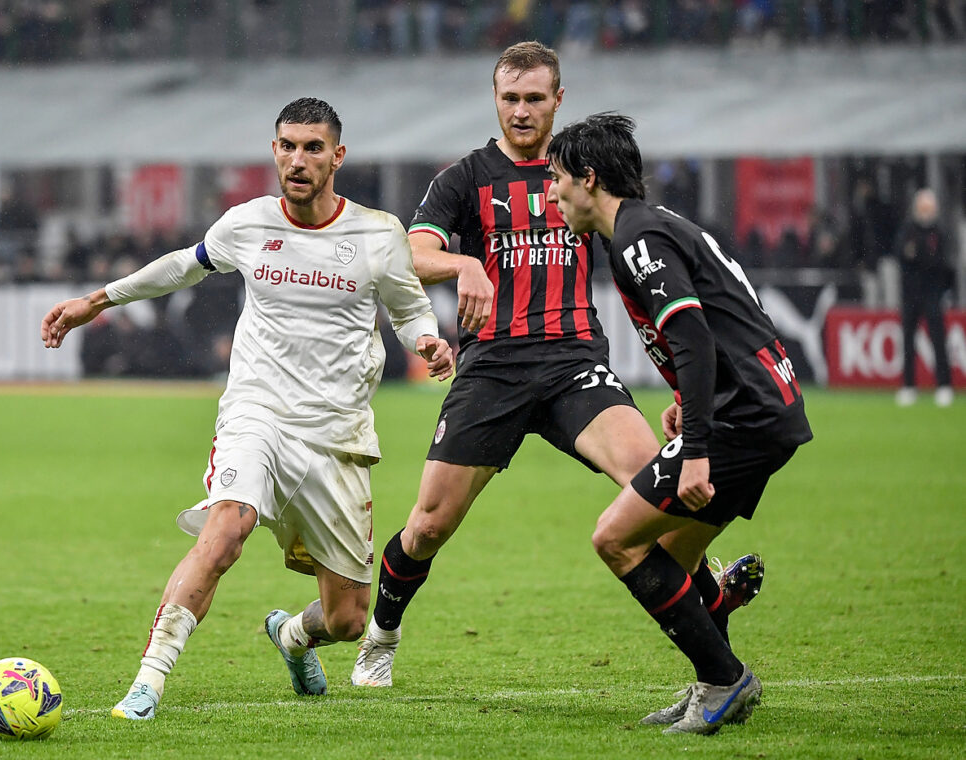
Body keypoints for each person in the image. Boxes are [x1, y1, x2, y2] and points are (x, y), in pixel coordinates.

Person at [351, 41, 763, 689]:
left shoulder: (582, 174)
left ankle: (711, 619)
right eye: (510, 98)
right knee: (429, 524)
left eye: (535, 99)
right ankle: (382, 634)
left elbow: (643, 236)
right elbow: (411, 251)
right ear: (495, 99)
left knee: (659, 489)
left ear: (558, 100)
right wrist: (463, 265)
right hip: (493, 370)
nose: (521, 111)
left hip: (576, 364)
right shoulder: (466, 178)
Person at [40, 98, 454, 719]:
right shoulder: (249, 223)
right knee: (226, 528)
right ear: (274, 151)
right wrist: (98, 300)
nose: (298, 159)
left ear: (337, 156)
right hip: (256, 415)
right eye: (287, 145)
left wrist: (424, 338)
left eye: (313, 147)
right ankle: (147, 684)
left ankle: (291, 636)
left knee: (345, 620)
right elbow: (184, 266)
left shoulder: (378, 234)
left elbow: (409, 307)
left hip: (336, 436)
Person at [545, 112, 813, 734]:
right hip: (761, 407)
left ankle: (726, 679)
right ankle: (710, 680)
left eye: (559, 179)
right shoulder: (649, 229)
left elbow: (693, 339)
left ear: (589, 179)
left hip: (742, 419)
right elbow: (723, 321)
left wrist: (696, 446)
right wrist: (687, 398)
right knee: (673, 554)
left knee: (616, 539)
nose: (553, 194)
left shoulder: (638, 236)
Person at [892, 188, 955, 407]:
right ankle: (909, 386)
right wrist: (920, 257)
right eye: (922, 207)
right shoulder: (908, 229)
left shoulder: (939, 231)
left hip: (933, 293)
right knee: (908, 342)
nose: (926, 211)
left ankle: (944, 385)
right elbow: (902, 255)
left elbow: (942, 263)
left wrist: (919, 257)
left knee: (938, 340)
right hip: (911, 294)